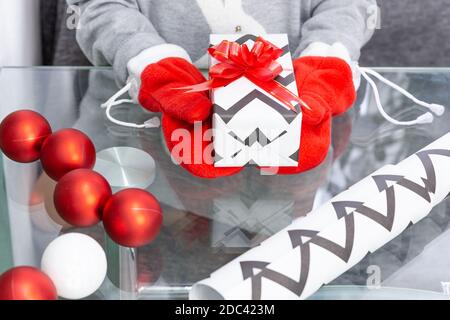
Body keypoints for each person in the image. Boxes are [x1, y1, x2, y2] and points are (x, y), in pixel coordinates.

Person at [69, 0, 376, 178]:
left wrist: (323, 64)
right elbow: (98, 6)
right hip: (139, 144)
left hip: (298, 126)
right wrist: (152, 64)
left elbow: (346, 6)